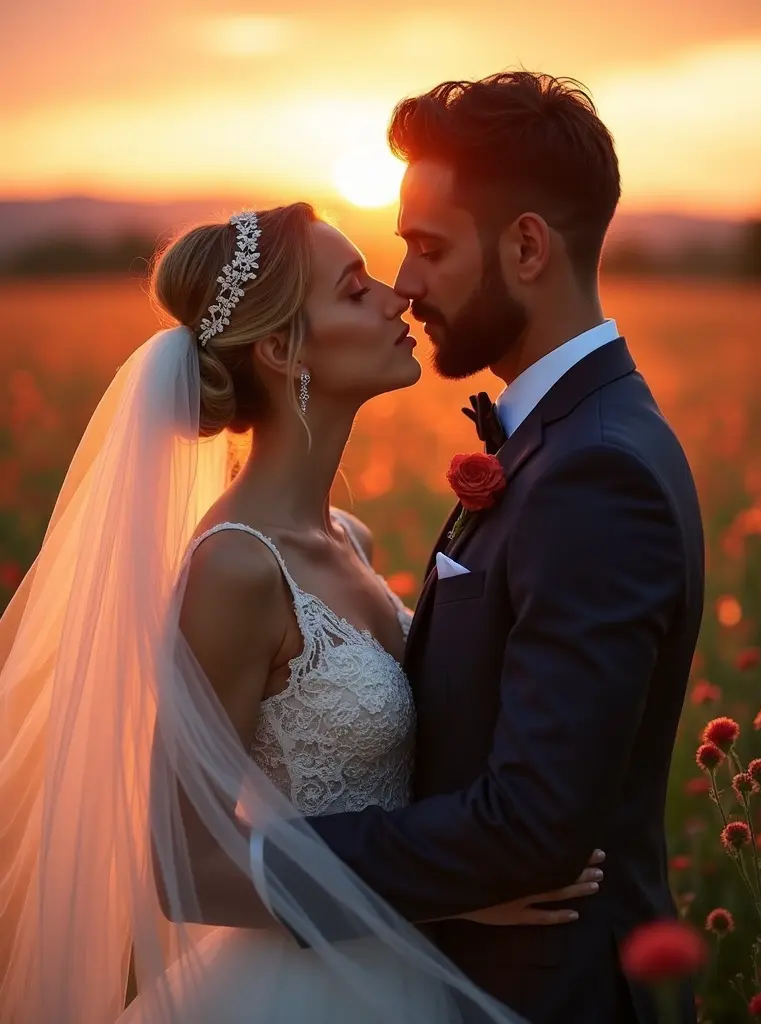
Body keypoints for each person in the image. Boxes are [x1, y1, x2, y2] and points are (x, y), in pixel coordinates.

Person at [0, 202, 601, 1024]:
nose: (397, 299)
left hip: (405, 970)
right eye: (356, 291)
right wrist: (439, 896)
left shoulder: (345, 535)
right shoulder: (237, 568)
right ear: (283, 350)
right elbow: (183, 868)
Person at [257, 73, 705, 1023]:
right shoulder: (562, 437)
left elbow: (534, 825)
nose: (406, 283)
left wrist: (257, 858)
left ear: (528, 246)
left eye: (426, 247)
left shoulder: (593, 472)